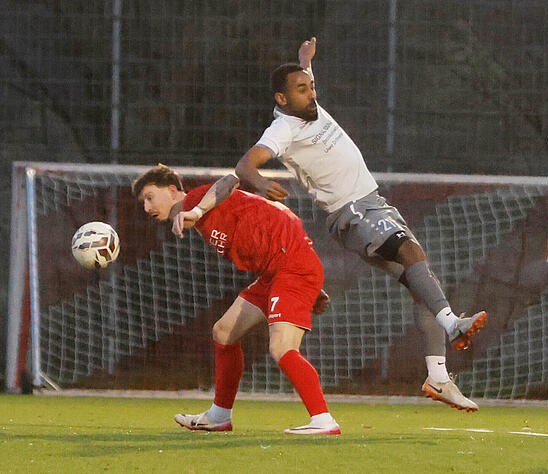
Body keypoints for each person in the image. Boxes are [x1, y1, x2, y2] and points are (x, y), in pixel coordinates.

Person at [234, 37, 486, 412]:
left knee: (422, 283)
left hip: (373, 203)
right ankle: (452, 325)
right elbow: (244, 166)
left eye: (312, 86)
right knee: (411, 252)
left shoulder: (309, 106)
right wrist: (257, 181)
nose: (311, 93)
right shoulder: (282, 130)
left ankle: (437, 376)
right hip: (351, 213)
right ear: (282, 99)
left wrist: (305, 61)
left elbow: (306, 80)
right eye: (301, 90)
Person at [132, 164, 341, 435]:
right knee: (223, 332)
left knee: (281, 347)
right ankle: (219, 416)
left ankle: (323, 420)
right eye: (143, 202)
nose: (147, 207)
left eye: (150, 197)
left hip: (290, 267)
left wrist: (196, 210)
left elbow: (232, 179)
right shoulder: (202, 214)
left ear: (172, 191)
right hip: (277, 272)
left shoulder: (196, 200)